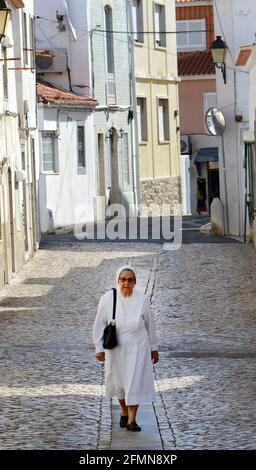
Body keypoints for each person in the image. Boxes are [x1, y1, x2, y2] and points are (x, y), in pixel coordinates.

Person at [92, 265, 159, 432]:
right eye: (123, 279)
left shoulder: (142, 300)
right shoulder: (107, 299)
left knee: (134, 381)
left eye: (130, 280)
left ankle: (132, 419)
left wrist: (154, 348)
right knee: (119, 383)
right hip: (115, 347)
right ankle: (123, 411)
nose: (126, 283)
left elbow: (150, 325)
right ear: (118, 281)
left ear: (135, 282)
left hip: (138, 347)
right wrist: (98, 348)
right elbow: (99, 324)